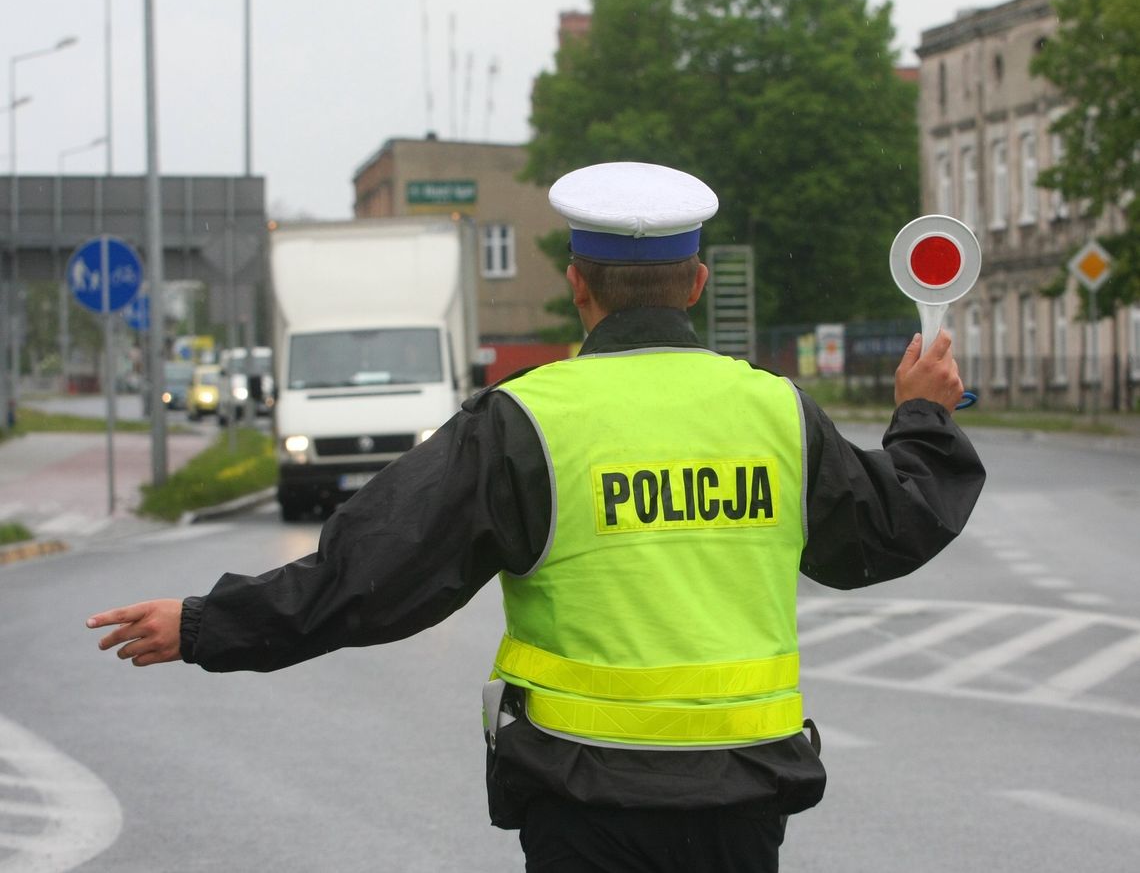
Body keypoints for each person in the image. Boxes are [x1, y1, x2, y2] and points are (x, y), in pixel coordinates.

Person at [88, 162, 985, 872]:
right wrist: (924, 415)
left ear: (577, 285)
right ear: (699, 282)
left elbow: (374, 577)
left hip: (584, 804)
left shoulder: (526, 420)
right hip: (742, 803)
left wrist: (208, 624)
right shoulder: (776, 412)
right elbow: (889, 527)